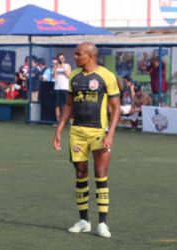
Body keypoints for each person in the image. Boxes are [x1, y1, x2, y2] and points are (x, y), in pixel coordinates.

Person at [52, 42, 121, 238]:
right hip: (77, 133)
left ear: (90, 56)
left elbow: (116, 108)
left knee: (100, 174)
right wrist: (59, 129)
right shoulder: (73, 76)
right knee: (81, 174)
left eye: (78, 54)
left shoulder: (106, 76)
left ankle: (102, 223)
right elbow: (68, 105)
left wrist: (110, 134)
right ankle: (84, 220)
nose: (74, 57)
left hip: (99, 132)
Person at [53, 53, 72, 122]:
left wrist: (63, 66)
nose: (61, 60)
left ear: (64, 59)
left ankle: (65, 119)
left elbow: (69, 76)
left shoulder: (67, 66)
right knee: (57, 104)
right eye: (59, 59)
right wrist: (55, 67)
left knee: (65, 104)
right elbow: (54, 77)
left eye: (62, 58)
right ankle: (58, 120)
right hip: (57, 88)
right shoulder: (56, 66)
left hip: (65, 88)